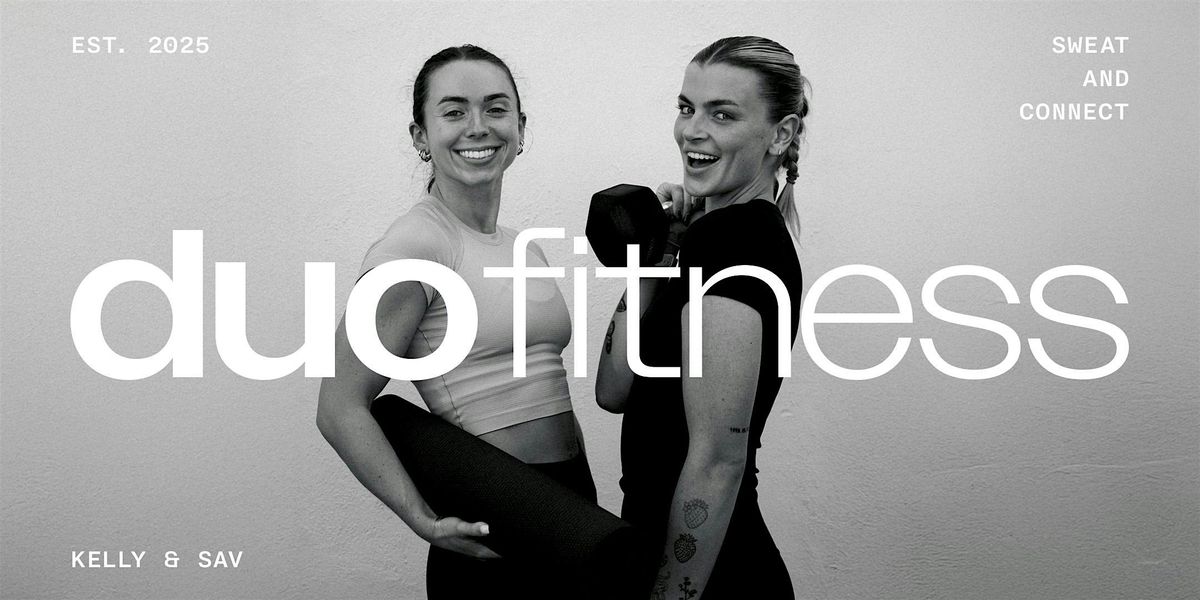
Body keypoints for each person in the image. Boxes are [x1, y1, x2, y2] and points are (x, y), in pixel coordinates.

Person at [316, 45, 594, 599]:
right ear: (421, 136)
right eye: (454, 111)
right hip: (494, 521)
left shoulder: (523, 246)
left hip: (565, 506)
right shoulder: (415, 246)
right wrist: (420, 517)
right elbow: (339, 406)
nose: (478, 126)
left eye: (495, 108)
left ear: (520, 127)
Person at [595, 36, 808, 599]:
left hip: (714, 576)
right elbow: (614, 390)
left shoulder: (738, 240)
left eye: (722, 114)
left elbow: (718, 461)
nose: (692, 130)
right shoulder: (704, 241)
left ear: (780, 135)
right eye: (687, 108)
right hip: (662, 549)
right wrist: (657, 254)